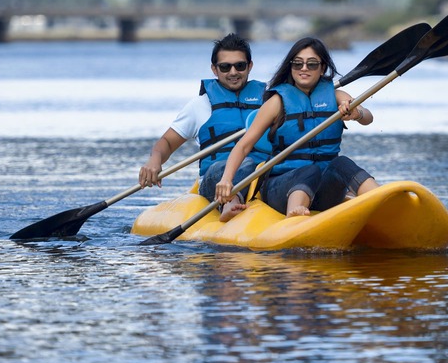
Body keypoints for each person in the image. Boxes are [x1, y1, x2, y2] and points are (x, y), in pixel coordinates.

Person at [215, 36, 377, 218]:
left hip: (324, 189)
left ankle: (381, 199)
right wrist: (226, 179)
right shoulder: (276, 102)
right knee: (309, 170)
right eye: (298, 64)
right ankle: (295, 214)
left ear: (322, 67)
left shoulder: (337, 95)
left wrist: (357, 113)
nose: (304, 69)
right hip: (282, 187)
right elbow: (244, 145)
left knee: (342, 163)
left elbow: (367, 118)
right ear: (291, 67)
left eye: (312, 64)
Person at [139, 33, 265, 222]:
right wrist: (155, 160)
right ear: (214, 69)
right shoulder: (199, 106)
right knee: (245, 163)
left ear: (250, 66)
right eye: (225, 67)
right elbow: (166, 141)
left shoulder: (269, 100)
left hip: (261, 174)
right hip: (215, 179)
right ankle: (229, 202)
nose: (233, 72)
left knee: (260, 165)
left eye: (240, 66)